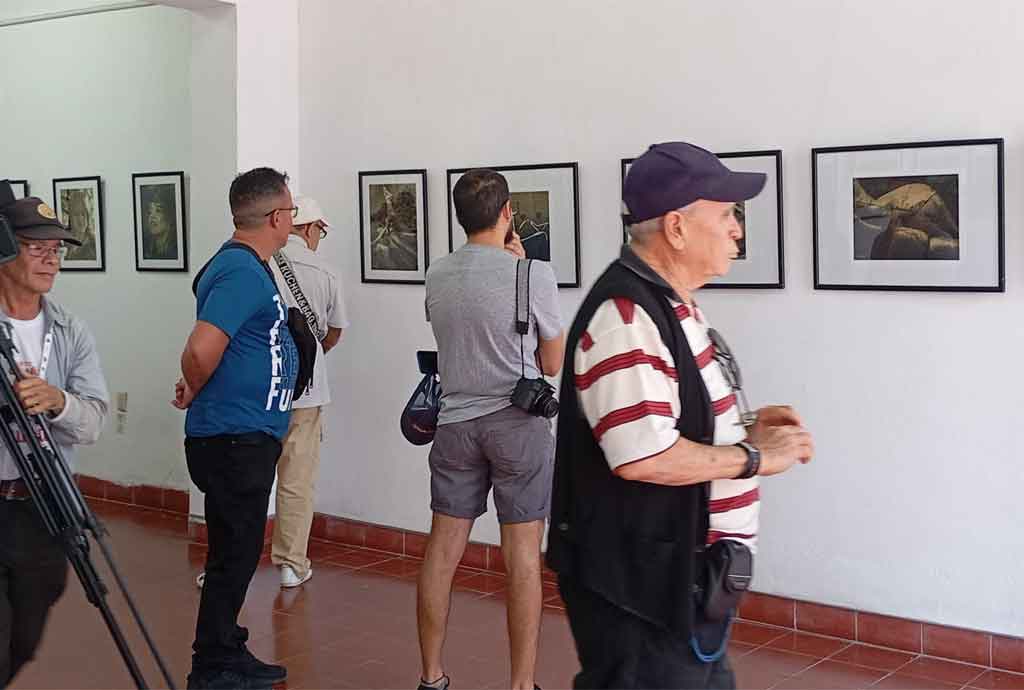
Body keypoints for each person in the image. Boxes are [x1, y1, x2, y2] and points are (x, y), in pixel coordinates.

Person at [547, 142, 815, 690]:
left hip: (680, 583)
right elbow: (644, 456)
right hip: (641, 591)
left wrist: (746, 427)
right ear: (676, 227)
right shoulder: (626, 317)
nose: (737, 228)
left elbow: (665, 423)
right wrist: (754, 457)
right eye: (726, 214)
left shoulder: (672, 304)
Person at [418, 169, 565, 690]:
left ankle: (431, 676)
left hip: (455, 425)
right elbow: (551, 363)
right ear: (507, 214)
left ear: (460, 217)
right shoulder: (533, 275)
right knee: (522, 556)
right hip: (518, 426)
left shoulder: (437, 274)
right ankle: (521, 685)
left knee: (442, 550)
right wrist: (520, 267)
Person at [172, 167, 299, 690]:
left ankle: (225, 646)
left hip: (242, 436)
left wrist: (198, 384)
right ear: (275, 216)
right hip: (232, 440)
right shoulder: (240, 271)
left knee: (234, 552)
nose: (292, 220)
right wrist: (195, 383)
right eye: (291, 211)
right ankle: (212, 665)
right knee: (234, 555)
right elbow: (201, 348)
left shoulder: (248, 268)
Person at [0, 194, 109, 685]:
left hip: (43, 506)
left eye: (57, 250)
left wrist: (58, 401)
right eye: (36, 248)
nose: (51, 260)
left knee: (24, 637)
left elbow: (93, 421)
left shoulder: (70, 330)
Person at [267, 195, 348, 588]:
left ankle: (231, 561)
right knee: (296, 479)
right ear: (310, 228)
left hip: (262, 389)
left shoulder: (260, 263)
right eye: (321, 231)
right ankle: (289, 563)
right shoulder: (325, 271)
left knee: (247, 477)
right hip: (307, 392)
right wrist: (313, 351)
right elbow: (335, 330)